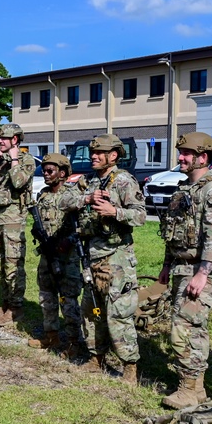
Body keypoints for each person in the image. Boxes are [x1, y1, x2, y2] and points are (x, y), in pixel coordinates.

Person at [159, 132, 212, 409]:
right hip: (182, 266)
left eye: (186, 153)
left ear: (202, 158)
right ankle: (196, 389)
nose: (180, 157)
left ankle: (188, 388)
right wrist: (167, 266)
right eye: (181, 152)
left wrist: (202, 274)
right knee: (192, 326)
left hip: (204, 270)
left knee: (185, 325)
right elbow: (174, 234)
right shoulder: (185, 190)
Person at [76, 135, 147, 384]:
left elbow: (140, 216)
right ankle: (96, 358)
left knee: (118, 313)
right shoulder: (92, 182)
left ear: (113, 155)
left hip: (116, 258)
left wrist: (114, 212)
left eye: (99, 153)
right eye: (92, 152)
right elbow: (66, 202)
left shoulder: (124, 181)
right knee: (92, 309)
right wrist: (87, 199)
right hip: (92, 257)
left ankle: (129, 367)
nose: (93, 156)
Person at [27, 154, 86, 353]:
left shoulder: (72, 195)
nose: (45, 173)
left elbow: (82, 227)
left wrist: (68, 242)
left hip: (67, 257)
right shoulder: (43, 194)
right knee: (46, 296)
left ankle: (73, 341)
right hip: (47, 254)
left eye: (50, 170)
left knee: (68, 300)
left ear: (62, 173)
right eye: (44, 170)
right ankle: (51, 336)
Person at [0, 123, 36, 327]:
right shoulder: (0, 160)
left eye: (4, 138)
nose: (0, 141)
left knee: (13, 265)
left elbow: (18, 182)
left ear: (15, 139)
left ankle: (16, 308)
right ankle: (5, 304)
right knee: (1, 263)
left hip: (13, 220)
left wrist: (14, 158)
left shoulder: (26, 160)